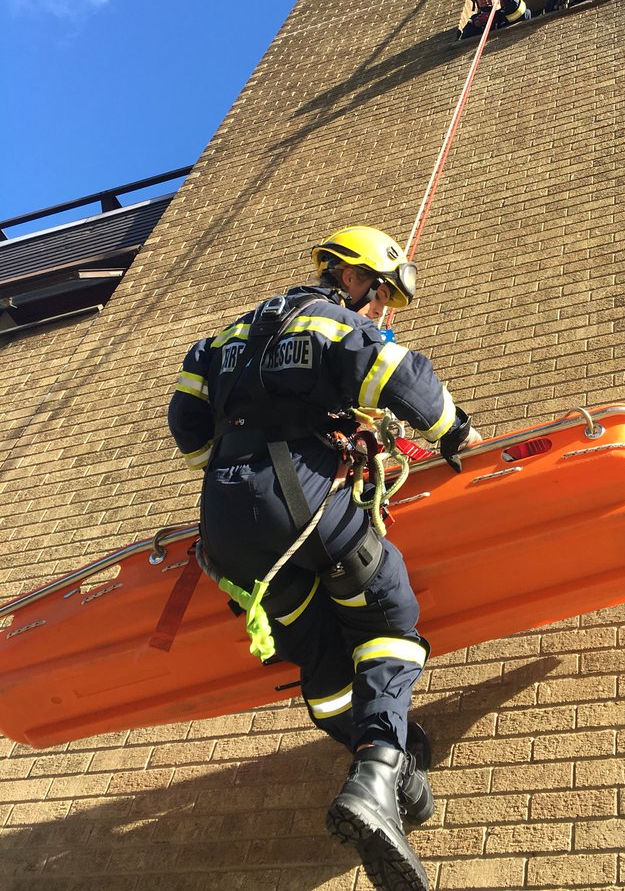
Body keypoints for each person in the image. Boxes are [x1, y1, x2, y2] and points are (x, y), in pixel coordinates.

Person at [168, 226, 480, 891]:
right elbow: (400, 374)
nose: (380, 311)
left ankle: (389, 770)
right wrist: (456, 432)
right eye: (380, 295)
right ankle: (378, 774)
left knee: (323, 664)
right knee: (387, 614)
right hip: (297, 500)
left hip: (225, 529)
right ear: (353, 277)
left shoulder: (224, 339)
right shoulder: (331, 322)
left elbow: (186, 422)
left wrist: (235, 458)